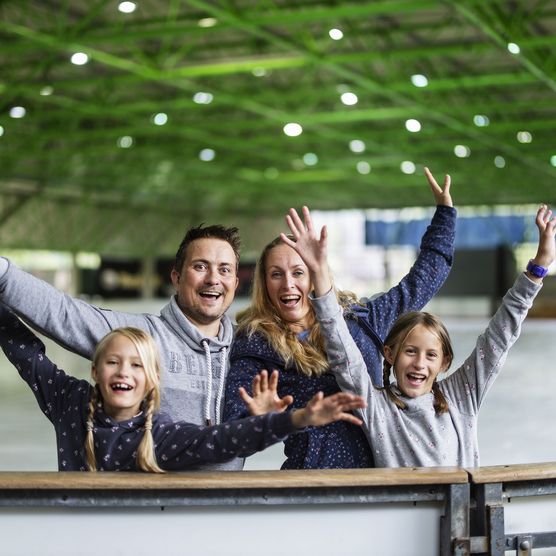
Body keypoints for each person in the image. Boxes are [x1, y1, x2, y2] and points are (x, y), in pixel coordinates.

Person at [224, 168, 456, 469]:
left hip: (386, 475)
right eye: (276, 274)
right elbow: (235, 420)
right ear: (264, 283)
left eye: (298, 272)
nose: (288, 284)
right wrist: (262, 420)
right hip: (315, 484)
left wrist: (445, 216)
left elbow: (421, 282)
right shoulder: (258, 342)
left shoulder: (361, 321)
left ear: (316, 272)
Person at [0, 308, 365, 472]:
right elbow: (28, 357)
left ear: (152, 379)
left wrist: (296, 418)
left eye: (136, 365)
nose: (123, 372)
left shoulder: (159, 435)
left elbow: (224, 439)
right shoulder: (72, 402)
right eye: (113, 362)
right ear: (95, 369)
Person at [0, 225, 242, 469]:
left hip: (225, 505)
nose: (213, 279)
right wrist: (3, 273)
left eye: (225, 270)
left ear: (235, 282)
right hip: (153, 503)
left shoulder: (248, 348)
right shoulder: (137, 338)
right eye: (200, 266)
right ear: (176, 278)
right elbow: (65, 314)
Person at [330, 204, 555, 467]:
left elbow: (499, 337)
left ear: (444, 362)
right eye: (410, 351)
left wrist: (538, 267)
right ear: (390, 354)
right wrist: (321, 285)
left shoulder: (460, 396)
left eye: (431, 355)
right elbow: (341, 350)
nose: (419, 363)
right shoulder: (376, 406)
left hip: (459, 508)